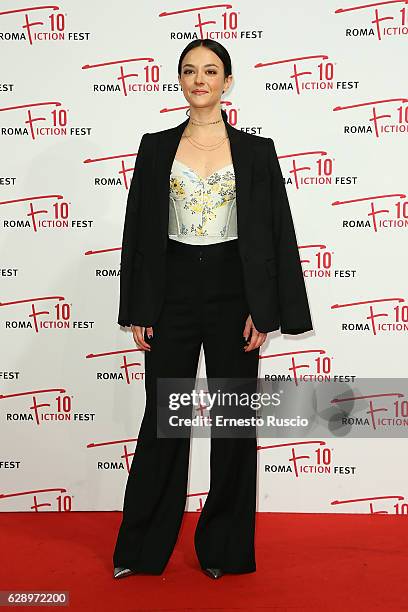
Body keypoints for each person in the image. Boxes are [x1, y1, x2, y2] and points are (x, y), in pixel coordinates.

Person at [112, 39, 313, 580]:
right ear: (179, 80)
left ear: (228, 81)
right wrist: (139, 306)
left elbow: (276, 233)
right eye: (189, 70)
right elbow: (139, 235)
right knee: (164, 423)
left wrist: (265, 310)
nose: (199, 79)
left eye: (210, 71)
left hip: (233, 298)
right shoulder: (155, 148)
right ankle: (141, 550)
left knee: (231, 424)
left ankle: (224, 549)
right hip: (172, 296)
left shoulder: (256, 151)